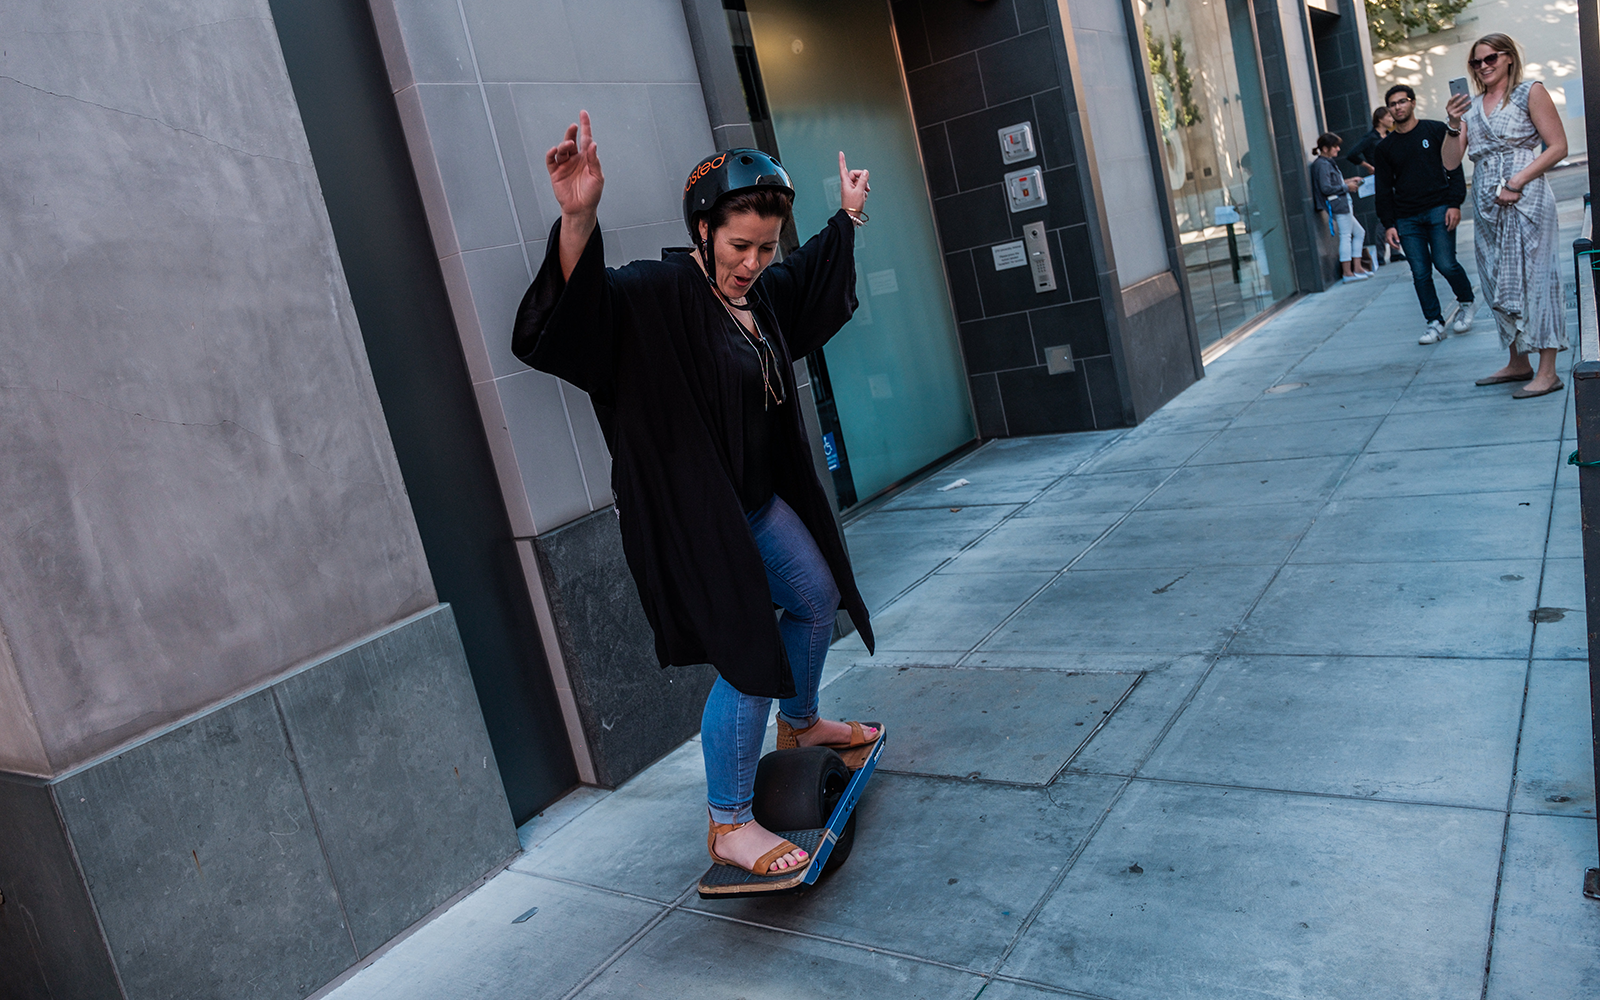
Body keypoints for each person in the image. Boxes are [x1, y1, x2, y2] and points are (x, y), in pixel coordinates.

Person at [512, 112, 881, 880]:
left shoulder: (761, 296)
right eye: (738, 245)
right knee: (748, 655)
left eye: (764, 248)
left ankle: (804, 725)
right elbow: (577, 323)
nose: (752, 262)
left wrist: (845, 216)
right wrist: (578, 218)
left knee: (813, 597)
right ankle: (729, 824)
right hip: (693, 519)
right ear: (704, 230)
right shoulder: (659, 296)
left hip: (753, 502)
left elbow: (808, 279)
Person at [1442, 33, 1570, 398]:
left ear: (1509, 58)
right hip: (1486, 205)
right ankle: (1518, 362)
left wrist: (1517, 180)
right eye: (1476, 62)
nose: (1483, 66)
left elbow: (1558, 146)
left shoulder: (1530, 91)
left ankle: (1548, 371)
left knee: (1538, 278)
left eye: (1491, 59)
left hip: (1526, 198)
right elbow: (1450, 162)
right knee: (1497, 279)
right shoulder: (1469, 106)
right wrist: (1452, 124)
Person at [1374, 84, 1476, 344]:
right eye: (1392, 104)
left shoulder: (1435, 129)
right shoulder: (1385, 148)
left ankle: (1466, 303)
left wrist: (1455, 203)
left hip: (1439, 208)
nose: (1398, 107)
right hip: (1406, 218)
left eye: (1402, 101)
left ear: (1413, 102)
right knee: (1419, 272)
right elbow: (1383, 189)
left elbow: (1453, 168)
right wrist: (1389, 224)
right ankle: (1434, 322)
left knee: (1445, 263)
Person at [1310, 133, 1371, 284]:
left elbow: (1331, 184)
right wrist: (1346, 187)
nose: (1338, 149)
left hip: (1341, 203)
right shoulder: (1323, 164)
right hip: (1338, 204)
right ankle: (1348, 272)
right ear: (1325, 148)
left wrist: (1349, 181)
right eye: (1335, 146)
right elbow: (1326, 188)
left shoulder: (1325, 163)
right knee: (1346, 236)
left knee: (1358, 233)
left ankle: (1356, 268)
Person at [1346, 105, 1404, 264]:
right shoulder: (1371, 138)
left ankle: (1395, 252)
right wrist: (1368, 166)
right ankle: (1380, 254)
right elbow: (1351, 154)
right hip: (1381, 179)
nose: (1392, 119)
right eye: (1389, 116)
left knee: (1397, 212)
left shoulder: (1391, 135)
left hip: (1395, 178)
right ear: (1380, 119)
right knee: (1384, 215)